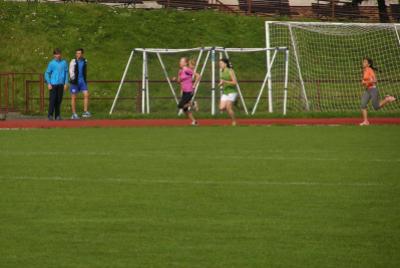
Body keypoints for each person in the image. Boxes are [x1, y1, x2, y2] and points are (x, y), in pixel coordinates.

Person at [360, 58, 396, 126]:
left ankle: (387, 99)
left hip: (373, 89)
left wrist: (365, 82)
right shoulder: (364, 70)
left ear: (369, 64)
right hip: (367, 90)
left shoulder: (370, 70)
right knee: (363, 105)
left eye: (365, 62)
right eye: (363, 61)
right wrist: (363, 82)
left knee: (376, 107)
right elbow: (364, 82)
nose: (363, 62)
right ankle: (365, 121)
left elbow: (375, 80)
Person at [173, 57, 200, 125]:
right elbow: (179, 81)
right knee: (185, 109)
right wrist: (175, 79)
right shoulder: (180, 71)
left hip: (189, 91)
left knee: (180, 106)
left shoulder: (187, 70)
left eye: (181, 61)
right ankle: (194, 121)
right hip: (184, 92)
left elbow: (198, 76)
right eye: (180, 61)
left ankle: (193, 103)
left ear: (185, 63)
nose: (180, 63)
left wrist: (194, 85)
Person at [44, 48, 68, 121]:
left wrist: (66, 83)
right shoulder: (51, 63)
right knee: (52, 100)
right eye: (56, 54)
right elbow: (47, 73)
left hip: (61, 84)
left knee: (59, 100)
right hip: (53, 84)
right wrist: (49, 83)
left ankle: (57, 115)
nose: (58, 55)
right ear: (54, 55)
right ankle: (50, 115)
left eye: (59, 54)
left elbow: (66, 73)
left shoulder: (64, 63)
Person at [69, 48, 91, 119]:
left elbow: (84, 71)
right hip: (75, 82)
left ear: (82, 54)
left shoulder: (85, 61)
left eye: (79, 53)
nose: (78, 55)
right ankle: (74, 114)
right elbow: (71, 71)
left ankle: (85, 112)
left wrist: (84, 79)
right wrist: (73, 79)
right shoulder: (73, 61)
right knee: (73, 97)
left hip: (82, 81)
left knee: (86, 95)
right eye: (77, 53)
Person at [219, 58, 238, 126]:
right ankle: (234, 103)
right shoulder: (222, 71)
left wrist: (225, 82)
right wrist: (221, 83)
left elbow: (235, 82)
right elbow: (223, 80)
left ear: (225, 64)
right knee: (221, 108)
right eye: (219, 64)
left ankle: (234, 122)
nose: (220, 65)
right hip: (225, 92)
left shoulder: (230, 71)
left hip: (232, 91)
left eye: (221, 64)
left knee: (228, 107)